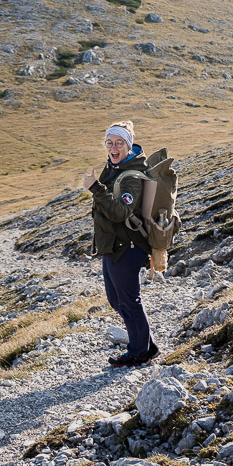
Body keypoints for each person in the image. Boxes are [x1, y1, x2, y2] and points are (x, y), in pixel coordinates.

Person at [83, 120, 159, 367]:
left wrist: (95, 188)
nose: (113, 147)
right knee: (117, 300)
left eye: (118, 143)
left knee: (128, 300)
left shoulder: (131, 176)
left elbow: (120, 212)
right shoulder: (113, 167)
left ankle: (139, 352)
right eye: (109, 143)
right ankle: (147, 344)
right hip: (112, 246)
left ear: (128, 145)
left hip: (128, 247)